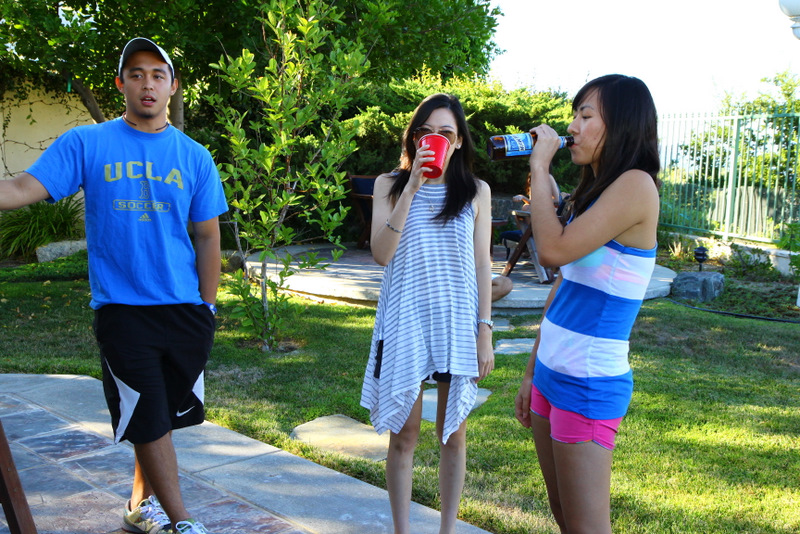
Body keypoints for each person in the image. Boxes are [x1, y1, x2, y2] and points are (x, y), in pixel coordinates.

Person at [0, 38, 227, 534]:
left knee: (161, 417)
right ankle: (184, 523)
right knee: (147, 414)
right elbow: (20, 188)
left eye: (158, 75)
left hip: (185, 310)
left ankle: (137, 508)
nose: (147, 84)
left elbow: (208, 236)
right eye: (136, 73)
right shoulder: (87, 143)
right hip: (122, 310)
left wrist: (207, 308)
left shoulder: (194, 156)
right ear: (121, 83)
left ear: (173, 87)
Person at [513, 74, 660, 534]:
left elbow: (552, 250)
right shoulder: (594, 191)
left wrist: (540, 168)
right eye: (574, 114)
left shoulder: (636, 186)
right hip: (551, 373)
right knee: (563, 515)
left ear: (621, 124)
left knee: (587, 527)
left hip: (589, 383)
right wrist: (531, 371)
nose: (572, 127)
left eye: (585, 115)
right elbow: (564, 284)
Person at [360, 93, 495, 534]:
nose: (434, 139)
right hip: (405, 320)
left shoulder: (475, 191)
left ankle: (447, 530)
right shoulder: (389, 184)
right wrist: (413, 187)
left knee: (453, 434)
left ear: (458, 142)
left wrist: (484, 331)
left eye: (445, 133)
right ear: (414, 137)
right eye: (426, 132)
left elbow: (482, 265)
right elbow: (381, 254)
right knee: (405, 433)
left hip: (456, 321)